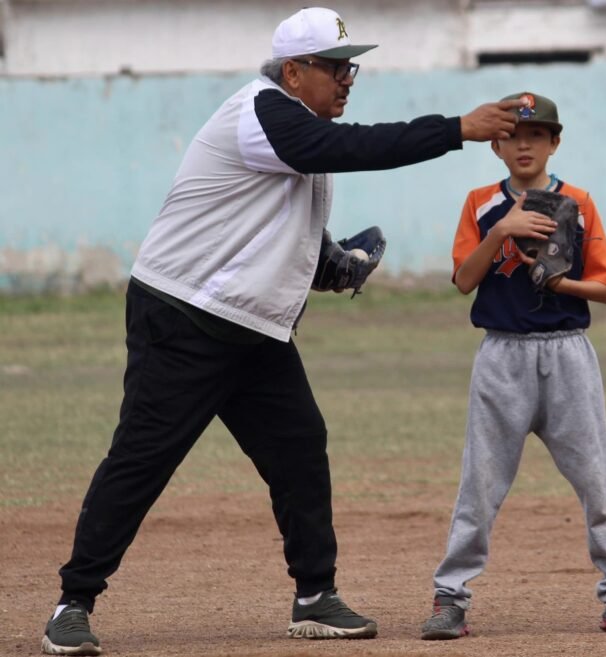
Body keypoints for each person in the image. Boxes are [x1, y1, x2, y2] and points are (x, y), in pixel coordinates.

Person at [41, 7, 528, 656]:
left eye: (350, 66)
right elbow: (348, 147)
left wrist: (336, 265)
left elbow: (277, 225)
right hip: (184, 316)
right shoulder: (263, 112)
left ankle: (314, 596)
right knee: (142, 458)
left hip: (251, 329)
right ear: (293, 72)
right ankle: (72, 603)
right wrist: (455, 129)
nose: (347, 78)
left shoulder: (296, 128)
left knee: (300, 444)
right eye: (334, 67)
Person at [419, 91, 606, 640]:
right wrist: (503, 231)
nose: (523, 143)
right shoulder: (482, 204)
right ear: (496, 145)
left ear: (555, 142)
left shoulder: (577, 202)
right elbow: (463, 281)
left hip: (568, 352)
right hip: (501, 355)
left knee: (596, 478)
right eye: (512, 135)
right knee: (479, 484)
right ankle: (450, 598)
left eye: (537, 134)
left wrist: (560, 283)